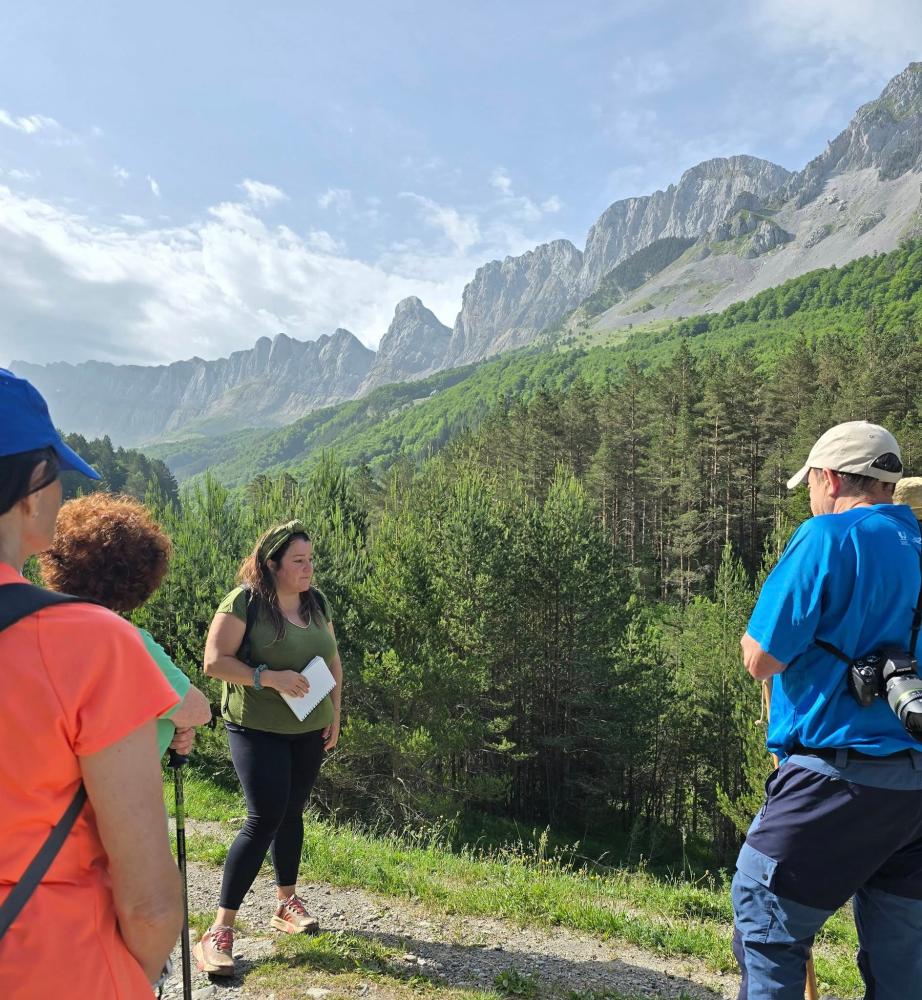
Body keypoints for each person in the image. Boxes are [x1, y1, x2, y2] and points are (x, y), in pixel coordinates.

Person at [0, 368, 183, 998]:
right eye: (58, 479)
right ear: (29, 490)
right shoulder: (88, 643)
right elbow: (151, 907)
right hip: (51, 968)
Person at [734, 420, 922, 1000]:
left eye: (812, 483)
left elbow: (761, 658)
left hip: (834, 779)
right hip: (913, 793)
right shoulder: (917, 542)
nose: (813, 498)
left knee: (765, 918)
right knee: (903, 969)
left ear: (832, 478)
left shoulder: (826, 538)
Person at [194, 519, 343, 977]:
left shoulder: (315, 602)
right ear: (272, 563)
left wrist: (335, 713)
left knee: (292, 811)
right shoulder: (246, 602)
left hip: (309, 728)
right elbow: (214, 661)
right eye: (298, 561)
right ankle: (219, 930)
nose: (308, 569)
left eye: (311, 560)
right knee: (264, 817)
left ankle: (285, 904)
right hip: (256, 728)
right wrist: (269, 678)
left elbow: (334, 658)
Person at [38, 493, 211, 758]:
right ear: (139, 573)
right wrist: (174, 719)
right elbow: (197, 710)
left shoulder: (37, 627)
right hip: (118, 792)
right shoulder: (125, 642)